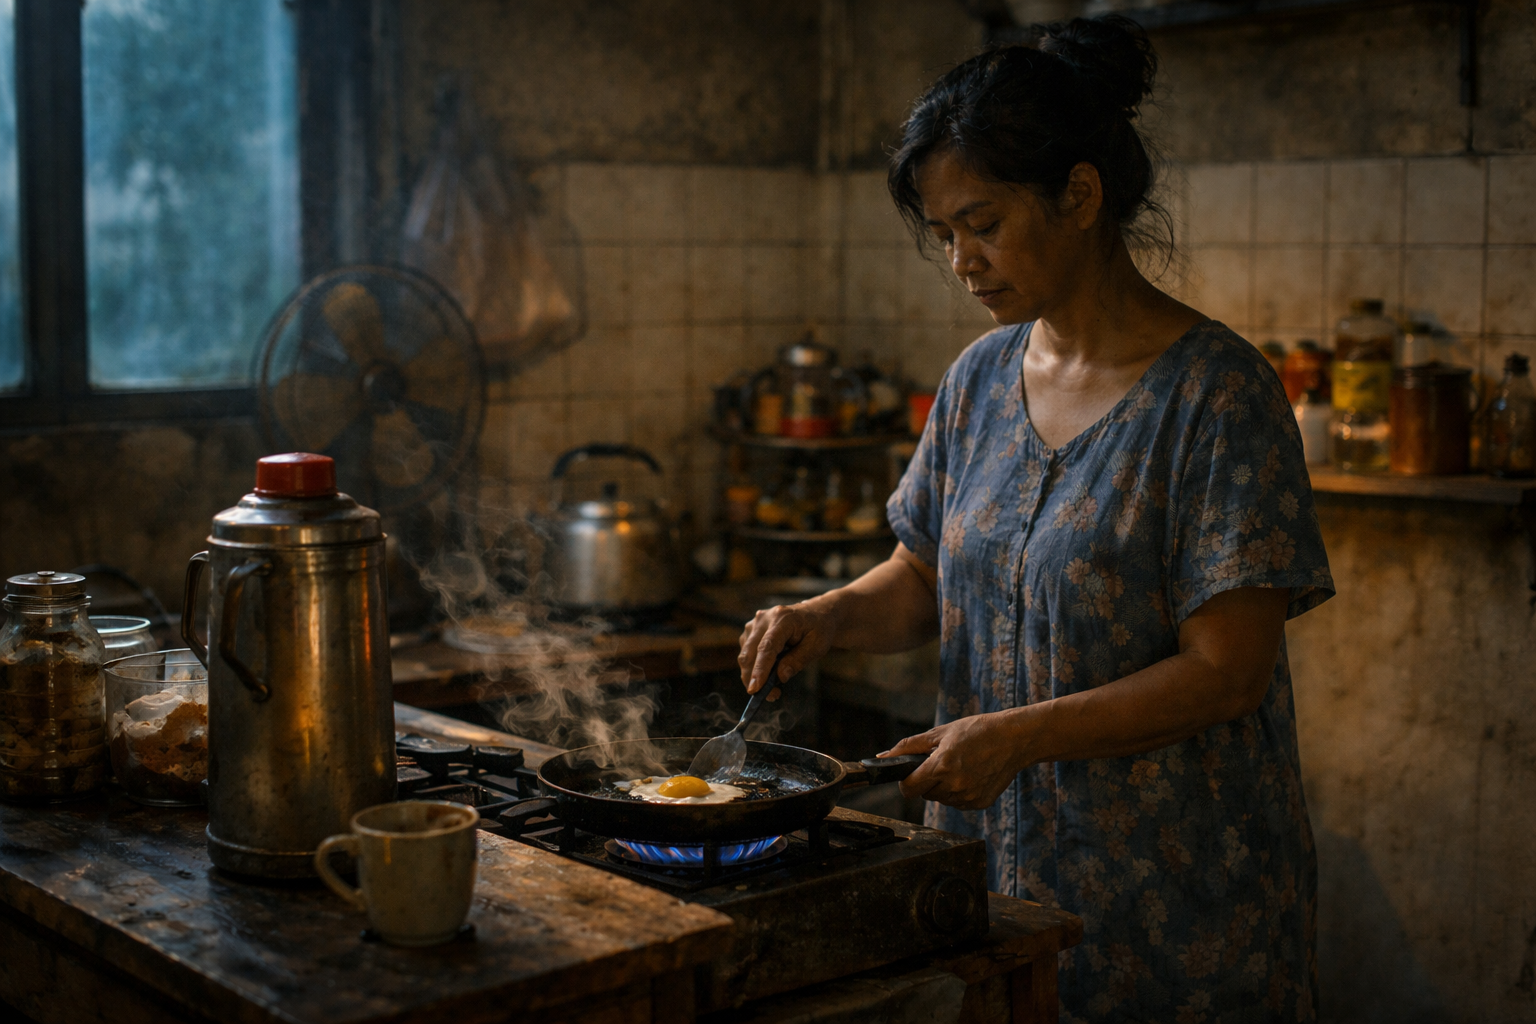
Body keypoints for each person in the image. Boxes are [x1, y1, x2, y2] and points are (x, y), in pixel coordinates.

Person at [736, 16, 1333, 1023]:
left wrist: (1017, 736)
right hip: (1003, 881)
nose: (963, 260)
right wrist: (829, 615)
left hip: (1177, 900)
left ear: (1081, 196)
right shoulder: (978, 381)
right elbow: (924, 574)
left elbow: (1228, 671)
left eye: (984, 222)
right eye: (945, 235)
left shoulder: (1217, 395)